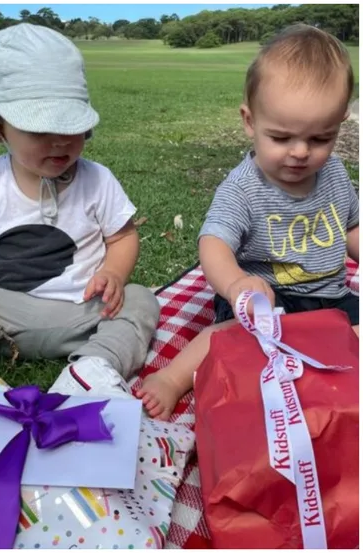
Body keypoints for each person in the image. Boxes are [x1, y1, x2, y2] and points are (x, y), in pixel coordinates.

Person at [137, 24, 359, 420]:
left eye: (320, 139)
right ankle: (172, 377)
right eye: (281, 138)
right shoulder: (244, 188)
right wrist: (236, 284)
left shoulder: (335, 174)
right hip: (266, 301)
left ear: (340, 124)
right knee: (230, 337)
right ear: (249, 121)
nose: (300, 152)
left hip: (330, 297)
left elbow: (352, 227)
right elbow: (214, 244)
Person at [0, 23, 159, 398]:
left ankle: (93, 369)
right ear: (0, 127)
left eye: (70, 127)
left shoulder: (98, 180)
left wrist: (113, 272)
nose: (59, 142)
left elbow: (122, 237)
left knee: (141, 299)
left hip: (83, 312)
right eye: (39, 130)